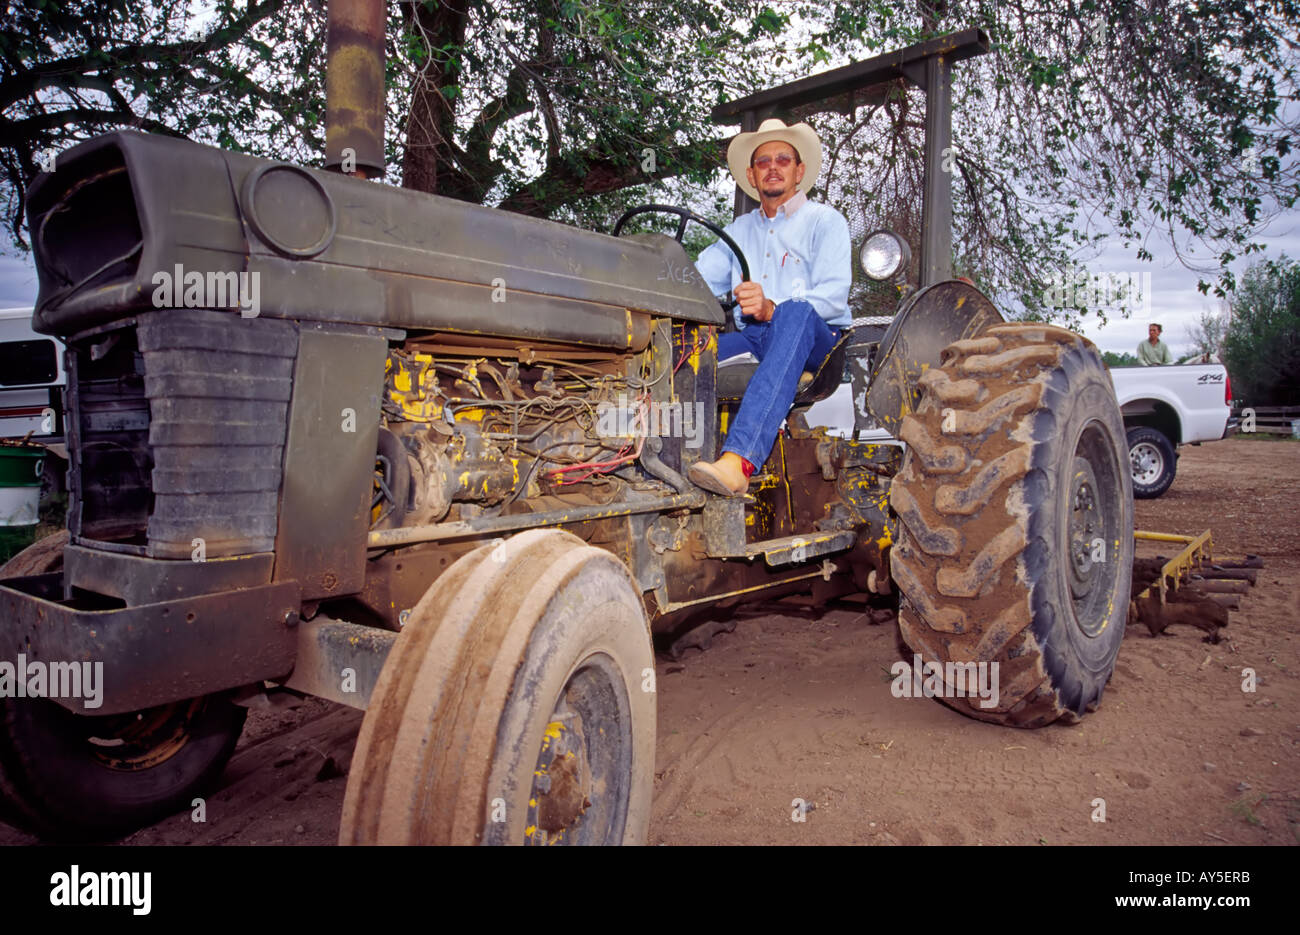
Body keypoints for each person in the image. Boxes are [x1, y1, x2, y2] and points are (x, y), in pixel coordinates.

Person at [687, 118, 851, 496]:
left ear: (799, 171)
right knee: (685, 351)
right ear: (752, 174)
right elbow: (693, 283)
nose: (773, 167)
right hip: (756, 337)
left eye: (783, 159)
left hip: (819, 343)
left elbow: (833, 298)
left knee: (796, 311)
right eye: (763, 161)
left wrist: (773, 308)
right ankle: (647, 453)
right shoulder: (738, 231)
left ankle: (740, 461)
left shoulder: (825, 222)